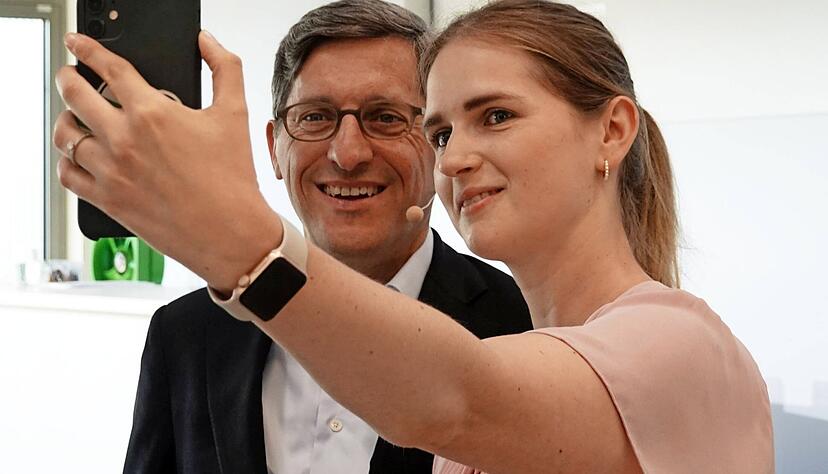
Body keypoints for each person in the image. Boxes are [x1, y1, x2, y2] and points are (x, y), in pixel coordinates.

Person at [54, 0, 774, 472]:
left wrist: (236, 237)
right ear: (277, 143)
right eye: (442, 127)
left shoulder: (680, 344)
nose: (454, 154)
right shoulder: (526, 360)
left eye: (495, 116)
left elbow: (452, 401)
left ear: (611, 129)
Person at [120, 2, 532, 473]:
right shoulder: (187, 334)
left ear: (440, 142)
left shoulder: (522, 329)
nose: (348, 152)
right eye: (315, 117)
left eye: (386, 117)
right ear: (276, 148)